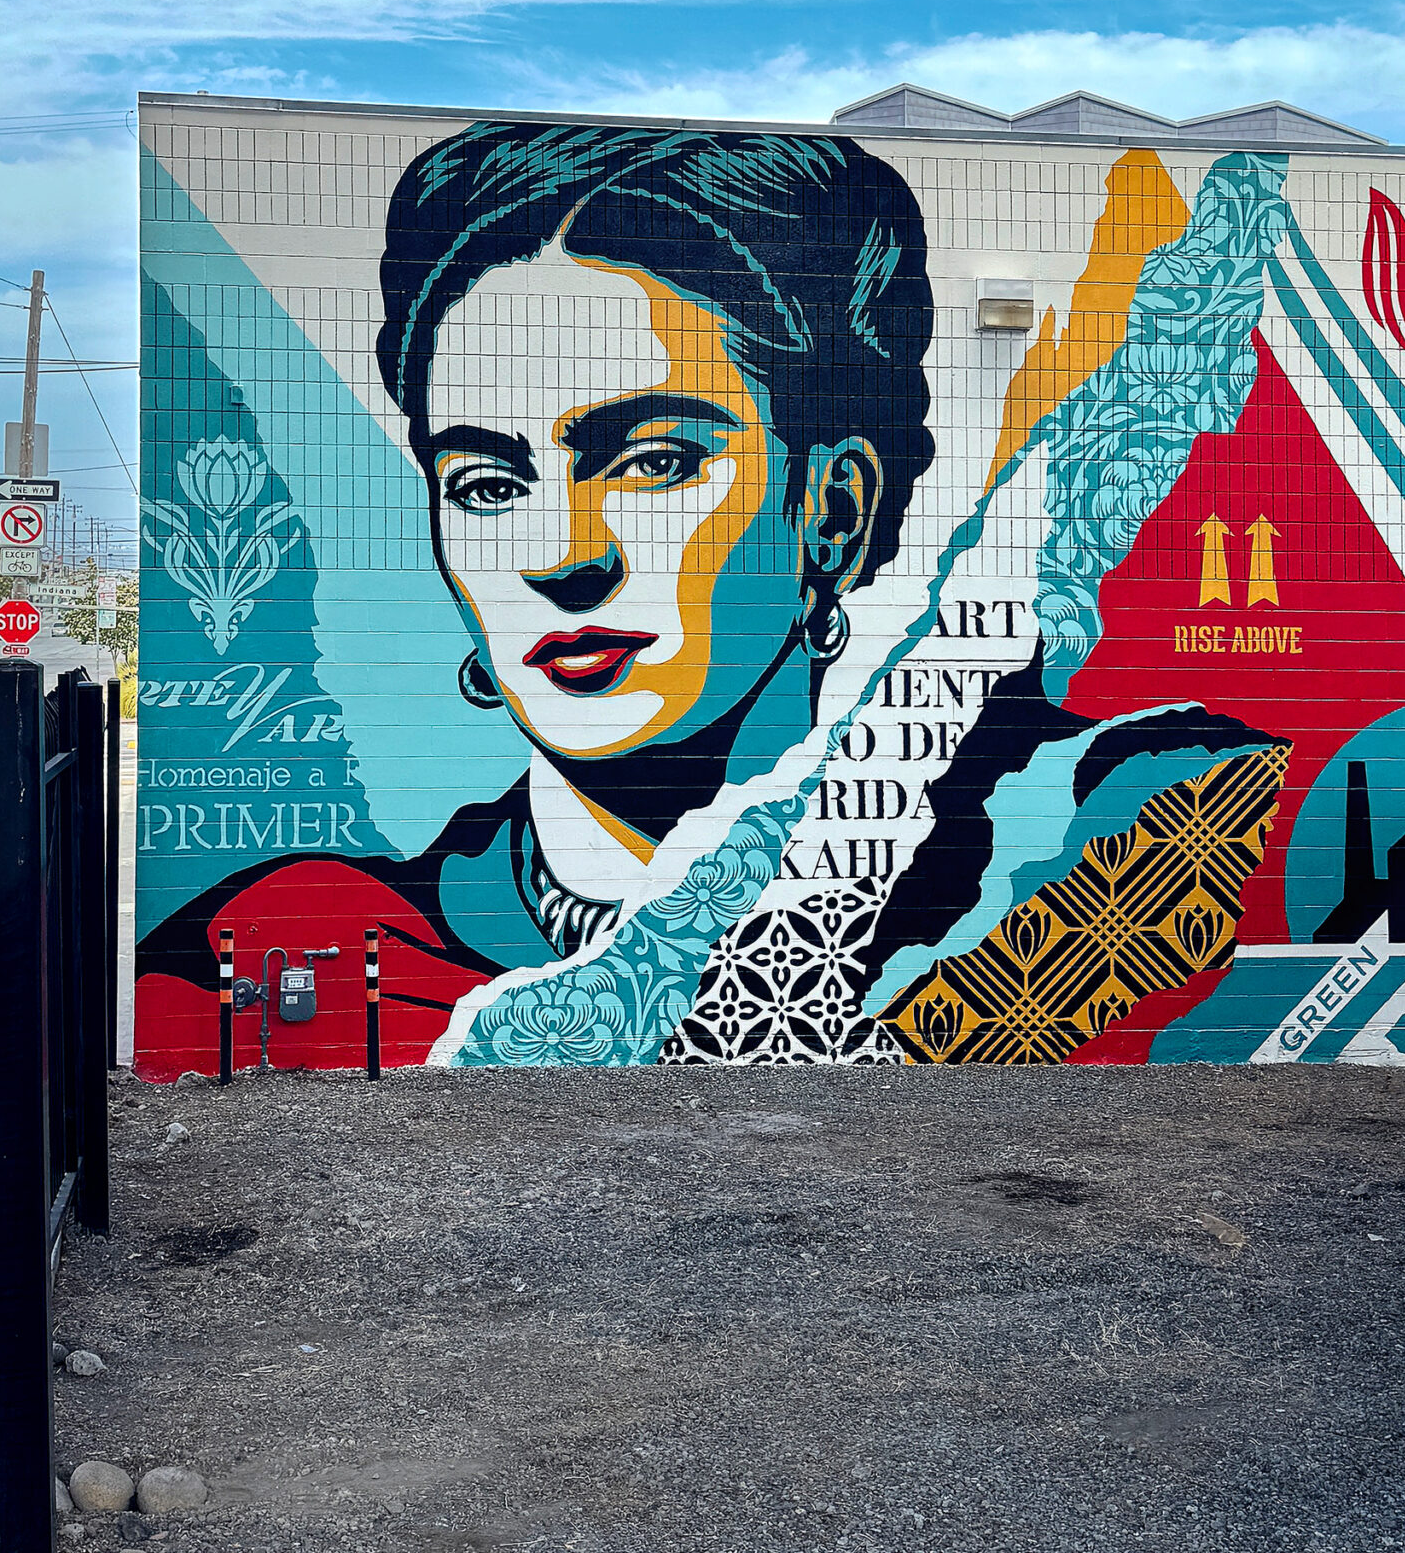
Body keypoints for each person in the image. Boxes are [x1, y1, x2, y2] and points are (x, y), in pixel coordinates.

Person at [143, 120, 1289, 1067]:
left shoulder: (1108, 820)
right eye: (488, 482)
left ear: (829, 509)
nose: (560, 555)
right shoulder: (275, 938)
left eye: (651, 462)